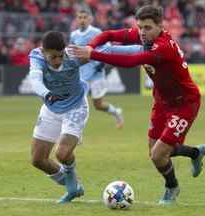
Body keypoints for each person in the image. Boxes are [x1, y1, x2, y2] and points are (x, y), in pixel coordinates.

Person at [70, 5, 205, 204]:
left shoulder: (163, 47)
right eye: (140, 27)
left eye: (148, 28)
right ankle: (195, 153)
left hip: (184, 103)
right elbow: (109, 34)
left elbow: (131, 61)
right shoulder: (146, 36)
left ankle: (172, 188)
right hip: (162, 101)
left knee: (158, 154)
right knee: (155, 152)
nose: (142, 32)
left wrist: (92, 55)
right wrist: (91, 47)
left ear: (160, 26)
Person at [29, 30, 142, 204]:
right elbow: (35, 79)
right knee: (38, 160)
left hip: (76, 107)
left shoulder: (73, 54)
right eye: (53, 57)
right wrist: (47, 94)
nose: (58, 61)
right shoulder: (36, 57)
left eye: (60, 56)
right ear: (43, 52)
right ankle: (72, 186)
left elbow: (109, 51)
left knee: (62, 153)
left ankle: (71, 185)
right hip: (51, 107)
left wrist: (142, 47)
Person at [70, 9, 124, 129]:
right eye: (80, 17)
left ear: (90, 19)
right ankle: (75, 133)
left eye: (85, 17)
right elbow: (72, 52)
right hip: (81, 75)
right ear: (76, 19)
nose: (82, 20)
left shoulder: (96, 32)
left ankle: (116, 112)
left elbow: (107, 48)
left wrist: (100, 64)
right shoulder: (74, 35)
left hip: (96, 74)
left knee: (98, 105)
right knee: (77, 104)